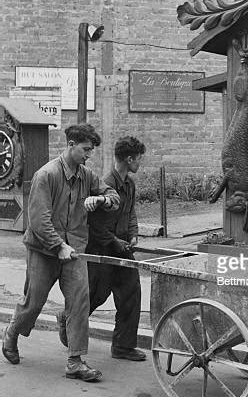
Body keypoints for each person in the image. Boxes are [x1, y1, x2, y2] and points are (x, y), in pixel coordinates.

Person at [2, 124, 120, 382]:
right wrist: (59, 246)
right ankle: (12, 331)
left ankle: (75, 361)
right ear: (71, 144)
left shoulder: (86, 175)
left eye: (91, 150)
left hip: (74, 250)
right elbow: (39, 220)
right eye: (86, 149)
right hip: (44, 250)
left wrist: (101, 200)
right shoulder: (46, 175)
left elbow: (113, 196)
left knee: (79, 301)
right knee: (33, 302)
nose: (89, 155)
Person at [57, 136, 147, 361]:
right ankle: (66, 319)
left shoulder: (130, 184)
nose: (140, 163)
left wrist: (133, 234)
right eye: (139, 159)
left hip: (123, 245)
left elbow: (131, 212)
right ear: (129, 159)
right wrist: (116, 242)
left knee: (131, 293)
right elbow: (95, 225)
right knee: (97, 293)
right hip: (102, 247)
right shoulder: (106, 184)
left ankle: (123, 347)